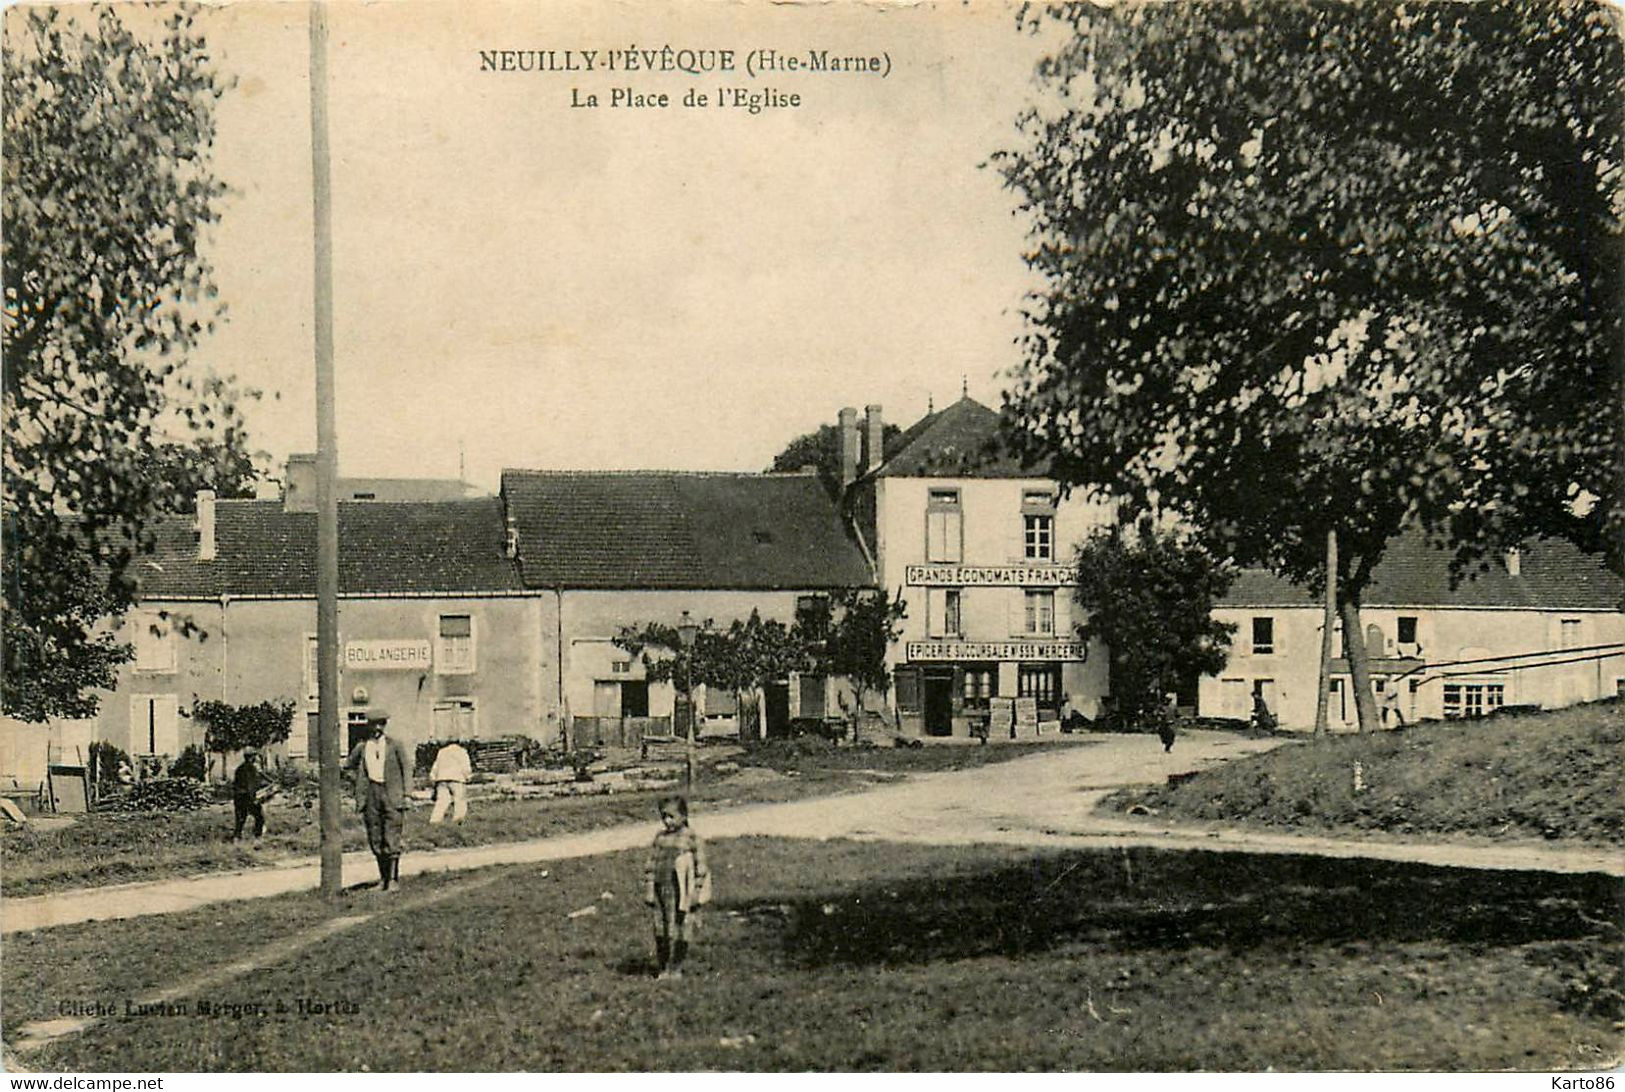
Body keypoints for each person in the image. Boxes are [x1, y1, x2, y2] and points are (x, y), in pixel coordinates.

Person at [642, 795, 711, 979]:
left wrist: (696, 890)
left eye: (671, 816)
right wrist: (649, 888)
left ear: (683, 816)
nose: (667, 821)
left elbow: (700, 866)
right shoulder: (660, 838)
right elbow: (651, 864)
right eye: (663, 816)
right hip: (661, 889)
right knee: (661, 928)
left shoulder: (692, 837)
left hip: (681, 891)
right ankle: (663, 967)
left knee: (681, 926)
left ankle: (676, 967)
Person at [343, 709, 412, 892]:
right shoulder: (362, 746)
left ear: (385, 725)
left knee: (392, 836)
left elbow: (406, 769)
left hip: (391, 794)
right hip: (370, 795)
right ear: (368, 725)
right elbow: (347, 766)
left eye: (381, 724)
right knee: (375, 837)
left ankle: (393, 881)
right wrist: (357, 782)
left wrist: (407, 794)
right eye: (373, 724)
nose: (377, 728)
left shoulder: (395, 745)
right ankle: (382, 880)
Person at [428, 740, 472, 825]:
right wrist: (468, 777)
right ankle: (458, 819)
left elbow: (435, 767)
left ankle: (435, 820)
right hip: (457, 778)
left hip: (442, 779)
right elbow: (465, 766)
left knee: (442, 801)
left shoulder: (442, 751)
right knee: (459, 800)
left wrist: (433, 777)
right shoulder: (461, 751)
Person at [231, 748, 267, 841]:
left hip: (238, 797)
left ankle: (237, 838)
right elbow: (250, 785)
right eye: (255, 756)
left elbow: (235, 784)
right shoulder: (251, 769)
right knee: (260, 817)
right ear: (252, 757)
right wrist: (254, 798)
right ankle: (257, 837)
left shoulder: (239, 768)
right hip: (248, 797)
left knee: (240, 819)